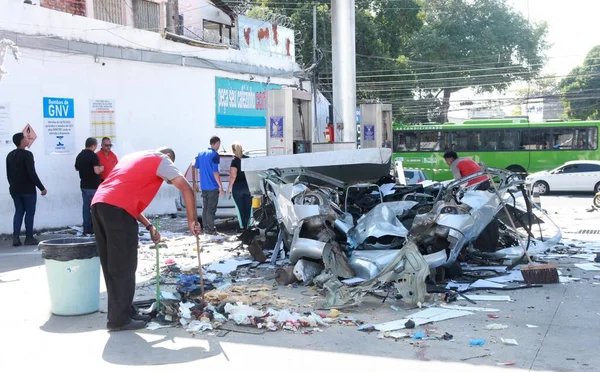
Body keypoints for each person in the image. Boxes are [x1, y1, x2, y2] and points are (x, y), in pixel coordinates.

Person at [91, 148, 201, 331]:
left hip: (100, 205)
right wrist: (192, 221)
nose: (166, 181)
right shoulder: (162, 159)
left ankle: (125, 311)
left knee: (113, 265)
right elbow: (186, 188)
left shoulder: (132, 157)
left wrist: (149, 226)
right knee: (124, 266)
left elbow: (126, 200)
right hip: (117, 211)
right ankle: (118, 320)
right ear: (169, 159)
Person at [6, 132, 47, 246]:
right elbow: (32, 173)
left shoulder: (10, 155)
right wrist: (42, 188)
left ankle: (16, 238)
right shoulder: (28, 155)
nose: (27, 138)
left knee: (18, 212)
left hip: (15, 190)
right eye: (25, 137)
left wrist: (12, 186)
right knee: (29, 213)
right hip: (28, 190)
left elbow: (8, 174)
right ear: (21, 141)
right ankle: (29, 237)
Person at [194, 136, 224, 235]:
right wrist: (220, 186)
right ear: (216, 143)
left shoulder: (201, 153)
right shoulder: (215, 155)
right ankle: (210, 229)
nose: (219, 146)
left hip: (204, 186)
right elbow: (215, 172)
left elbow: (195, 167)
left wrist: (196, 183)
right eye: (219, 144)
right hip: (212, 186)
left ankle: (206, 228)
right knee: (211, 209)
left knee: (205, 208)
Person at [75, 137, 103, 235]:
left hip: (84, 185)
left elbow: (76, 168)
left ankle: (86, 228)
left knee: (86, 207)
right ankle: (95, 227)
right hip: (93, 186)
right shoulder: (93, 156)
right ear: (93, 145)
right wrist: (101, 169)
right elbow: (96, 170)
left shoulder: (80, 155)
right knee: (95, 208)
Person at [227, 142, 252, 232]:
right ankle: (249, 226)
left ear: (234, 150)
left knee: (240, 209)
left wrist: (229, 188)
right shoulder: (248, 159)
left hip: (237, 187)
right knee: (249, 208)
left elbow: (233, 176)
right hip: (248, 186)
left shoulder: (234, 161)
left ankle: (242, 227)